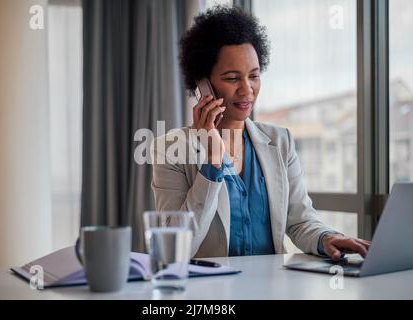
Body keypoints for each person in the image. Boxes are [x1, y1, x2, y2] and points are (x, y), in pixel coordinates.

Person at [151, 6, 370, 260]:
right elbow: (172, 249)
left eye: (253, 76)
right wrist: (211, 164)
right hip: (212, 293)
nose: (247, 90)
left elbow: (300, 221)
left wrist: (325, 238)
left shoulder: (280, 141)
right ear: (203, 85)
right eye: (232, 78)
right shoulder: (169, 149)